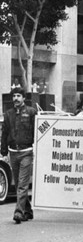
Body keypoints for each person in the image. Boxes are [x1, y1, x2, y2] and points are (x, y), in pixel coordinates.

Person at [1, 88, 37, 223]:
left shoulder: (31, 112)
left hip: (26, 152)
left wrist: (37, 147)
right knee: (18, 185)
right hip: (13, 153)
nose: (16, 98)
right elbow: (4, 133)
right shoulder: (8, 114)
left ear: (23, 98)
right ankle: (28, 210)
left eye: (18, 96)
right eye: (14, 96)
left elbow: (37, 131)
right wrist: (3, 151)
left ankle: (18, 212)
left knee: (22, 184)